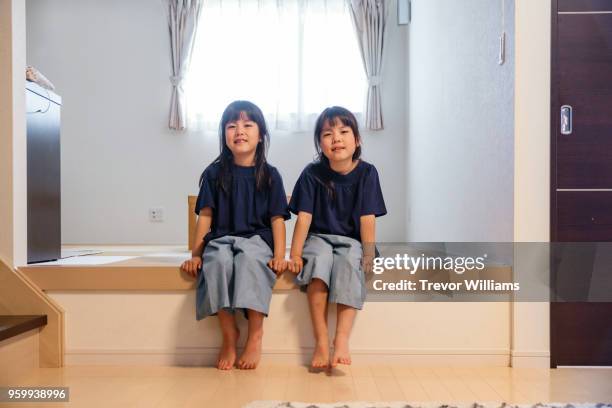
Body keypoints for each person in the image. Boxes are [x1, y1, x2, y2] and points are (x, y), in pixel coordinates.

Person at [181, 100, 289, 370]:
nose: (239, 130)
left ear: (261, 134)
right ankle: (229, 335)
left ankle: (255, 332)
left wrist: (279, 256)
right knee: (217, 262)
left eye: (247, 124)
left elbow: (278, 220)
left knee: (250, 260)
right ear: (224, 134)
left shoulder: (271, 176)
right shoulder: (214, 173)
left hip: (257, 239)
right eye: (232, 126)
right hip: (220, 238)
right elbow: (205, 216)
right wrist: (195, 255)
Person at [287, 106, 387, 369]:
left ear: (357, 140)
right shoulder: (312, 173)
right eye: (328, 134)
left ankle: (341, 339)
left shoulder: (367, 173)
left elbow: (368, 218)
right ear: (320, 143)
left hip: (352, 240)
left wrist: (368, 254)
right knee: (318, 263)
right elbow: (304, 218)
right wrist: (295, 254)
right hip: (318, 237)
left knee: (348, 263)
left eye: (344, 131)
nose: (336, 138)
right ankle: (321, 340)